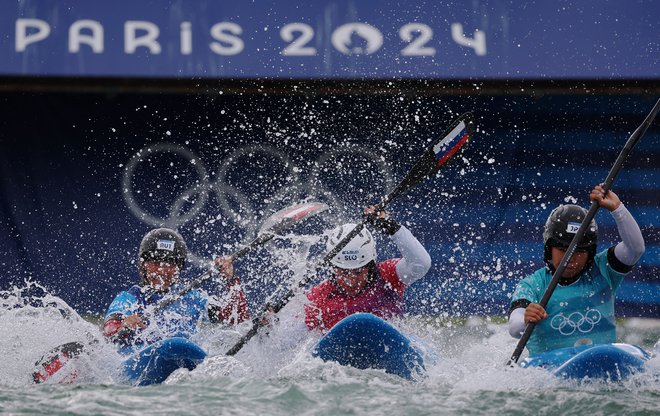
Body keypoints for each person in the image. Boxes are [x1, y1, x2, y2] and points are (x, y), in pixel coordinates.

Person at [508, 184, 645, 356]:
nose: (571, 258)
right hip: (547, 371)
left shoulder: (603, 269)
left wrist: (618, 209)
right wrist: (525, 319)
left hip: (603, 361)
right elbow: (514, 328)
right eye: (563, 249)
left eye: (580, 251)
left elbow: (635, 249)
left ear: (590, 252)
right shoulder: (533, 284)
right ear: (549, 248)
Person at [102, 227, 250, 353]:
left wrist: (230, 279)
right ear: (144, 264)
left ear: (180, 267)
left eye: (171, 263)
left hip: (183, 361)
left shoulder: (194, 296)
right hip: (140, 359)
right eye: (155, 262)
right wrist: (123, 325)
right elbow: (108, 331)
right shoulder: (129, 298)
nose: (163, 269)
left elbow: (236, 317)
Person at [304, 206, 432, 332]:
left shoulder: (387, 276)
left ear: (370, 266)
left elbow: (421, 264)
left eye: (358, 272)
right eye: (344, 273)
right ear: (333, 268)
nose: (351, 281)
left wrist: (392, 228)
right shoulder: (317, 298)